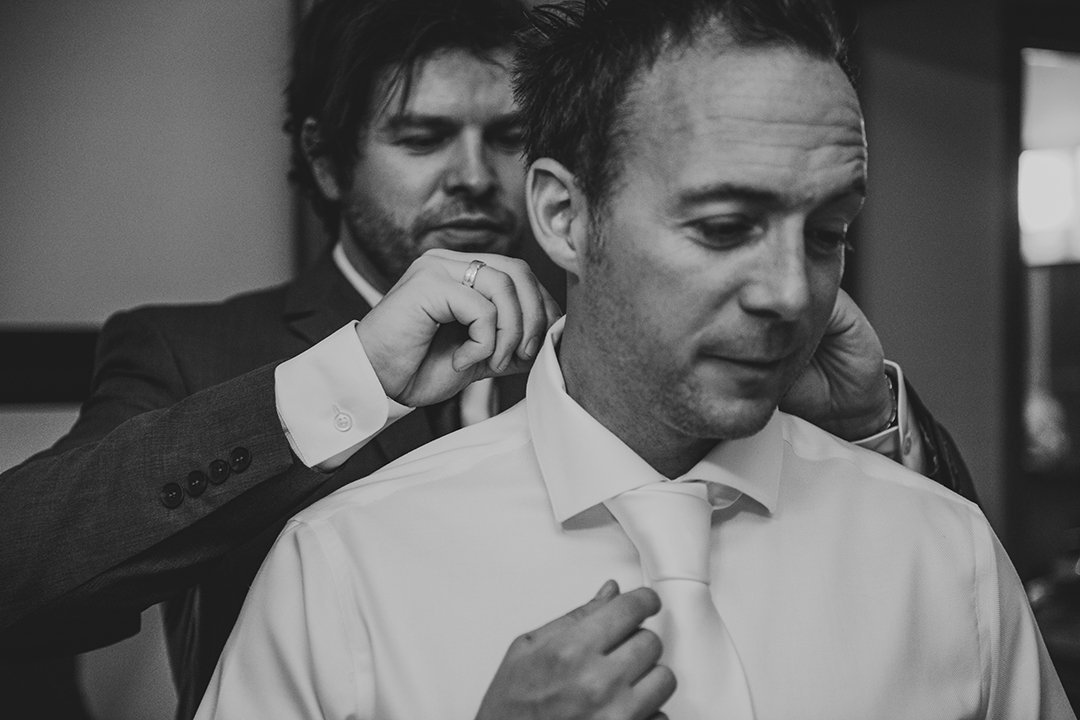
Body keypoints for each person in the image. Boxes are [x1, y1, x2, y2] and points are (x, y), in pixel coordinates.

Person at [0, 0, 975, 716]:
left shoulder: (653, 335)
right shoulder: (194, 353)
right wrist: (352, 380)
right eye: (421, 138)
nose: (472, 175)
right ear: (329, 159)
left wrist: (871, 433)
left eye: (506, 136)